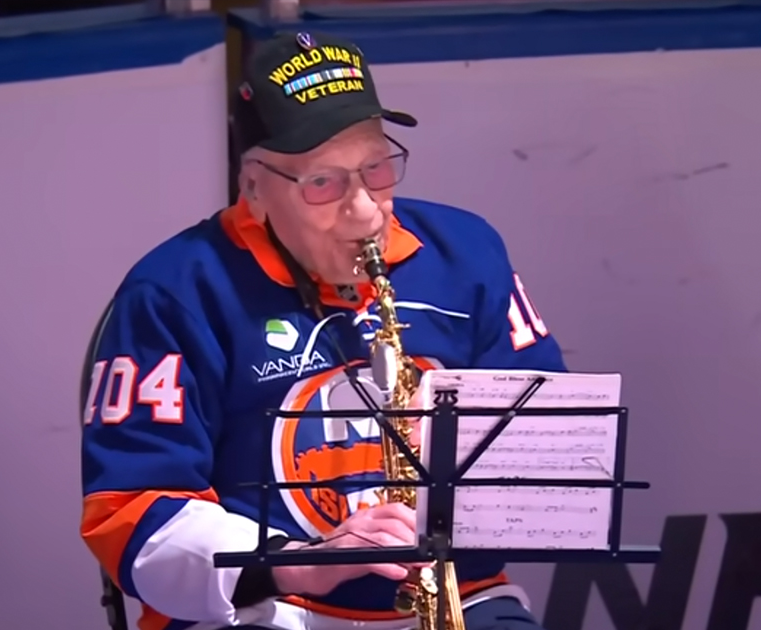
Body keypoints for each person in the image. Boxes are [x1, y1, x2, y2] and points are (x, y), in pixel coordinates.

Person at [79, 30, 567, 630]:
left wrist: (460, 426)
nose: (365, 211)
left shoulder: (466, 252)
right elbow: (129, 513)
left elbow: (558, 449)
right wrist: (297, 564)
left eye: (377, 167)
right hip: (262, 608)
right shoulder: (175, 290)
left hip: (463, 600)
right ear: (254, 188)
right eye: (323, 183)